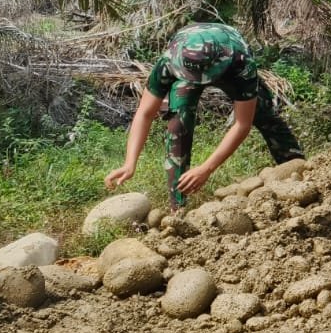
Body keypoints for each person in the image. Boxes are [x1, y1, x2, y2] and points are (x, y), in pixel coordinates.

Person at [105, 21, 304, 209]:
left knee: (263, 114)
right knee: (178, 124)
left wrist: (207, 168)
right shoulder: (169, 62)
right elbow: (144, 113)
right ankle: (178, 206)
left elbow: (242, 124)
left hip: (228, 61)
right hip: (189, 58)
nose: (199, 83)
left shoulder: (241, 63)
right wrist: (129, 163)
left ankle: (298, 172)